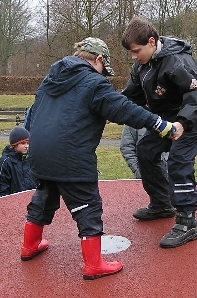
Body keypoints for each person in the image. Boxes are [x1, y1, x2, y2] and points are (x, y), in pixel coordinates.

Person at [21, 37, 179, 280]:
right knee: (87, 205)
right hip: (72, 156)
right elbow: (124, 109)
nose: (103, 74)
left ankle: (29, 245)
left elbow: (32, 117)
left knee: (44, 195)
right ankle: (94, 264)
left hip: (40, 153)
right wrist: (160, 124)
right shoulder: (93, 82)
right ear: (98, 59)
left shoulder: (49, 80)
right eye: (104, 69)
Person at [121, 16, 197, 249]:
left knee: (178, 159)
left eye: (136, 51)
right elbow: (131, 96)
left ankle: (187, 220)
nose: (133, 57)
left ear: (151, 42)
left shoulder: (177, 61)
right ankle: (162, 203)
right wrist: (105, 106)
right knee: (145, 149)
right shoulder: (141, 66)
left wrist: (183, 123)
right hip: (169, 114)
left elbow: (196, 95)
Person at [0, 126, 35, 197]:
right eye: (23, 143)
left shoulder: (30, 160)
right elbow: (1, 188)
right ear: (15, 145)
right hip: (13, 200)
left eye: (28, 143)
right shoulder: (5, 162)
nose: (26, 146)